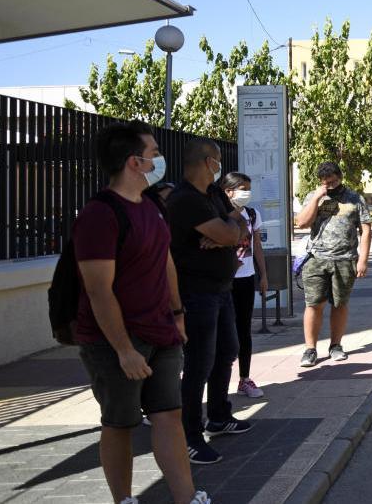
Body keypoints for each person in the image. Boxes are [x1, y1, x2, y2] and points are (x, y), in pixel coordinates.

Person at [72, 121, 208, 504]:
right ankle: (124, 500)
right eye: (154, 153)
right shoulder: (100, 214)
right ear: (135, 162)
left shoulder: (150, 206)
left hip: (161, 332)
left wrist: (177, 314)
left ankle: (188, 497)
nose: (159, 159)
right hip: (116, 340)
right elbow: (99, 290)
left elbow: (164, 261)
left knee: (169, 415)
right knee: (120, 423)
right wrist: (124, 350)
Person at [167, 139, 252, 465]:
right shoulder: (186, 199)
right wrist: (228, 234)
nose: (220, 166)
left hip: (220, 288)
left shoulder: (213, 193)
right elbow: (234, 233)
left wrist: (223, 235)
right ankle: (190, 435)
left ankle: (218, 415)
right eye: (217, 161)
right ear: (206, 161)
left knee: (226, 351)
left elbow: (240, 227)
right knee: (199, 364)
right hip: (196, 292)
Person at [294, 162, 372, 368]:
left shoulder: (355, 199)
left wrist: (363, 260)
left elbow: (365, 230)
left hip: (345, 259)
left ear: (340, 177)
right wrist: (318, 198)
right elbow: (301, 223)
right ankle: (310, 349)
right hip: (316, 259)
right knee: (314, 304)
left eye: (334, 181)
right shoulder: (314, 197)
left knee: (339, 303)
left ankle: (336, 345)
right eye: (326, 183)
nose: (331, 185)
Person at [220, 172, 269, 399]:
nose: (246, 193)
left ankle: (244, 378)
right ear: (228, 190)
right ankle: (219, 380)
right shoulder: (218, 212)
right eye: (242, 188)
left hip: (246, 278)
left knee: (244, 330)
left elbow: (256, 245)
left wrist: (263, 275)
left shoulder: (252, 213)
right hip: (223, 280)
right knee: (222, 332)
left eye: (248, 188)